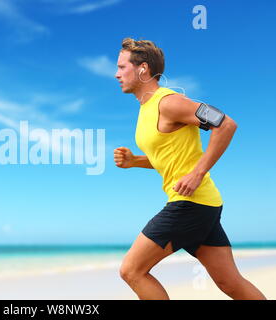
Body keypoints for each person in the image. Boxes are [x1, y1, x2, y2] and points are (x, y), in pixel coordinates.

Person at [113, 37, 266, 300]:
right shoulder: (146, 109)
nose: (116, 74)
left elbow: (225, 124)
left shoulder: (169, 102)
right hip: (203, 204)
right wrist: (135, 161)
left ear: (143, 69)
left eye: (121, 67)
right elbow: (169, 159)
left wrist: (197, 174)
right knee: (230, 283)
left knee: (132, 271)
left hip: (189, 204)